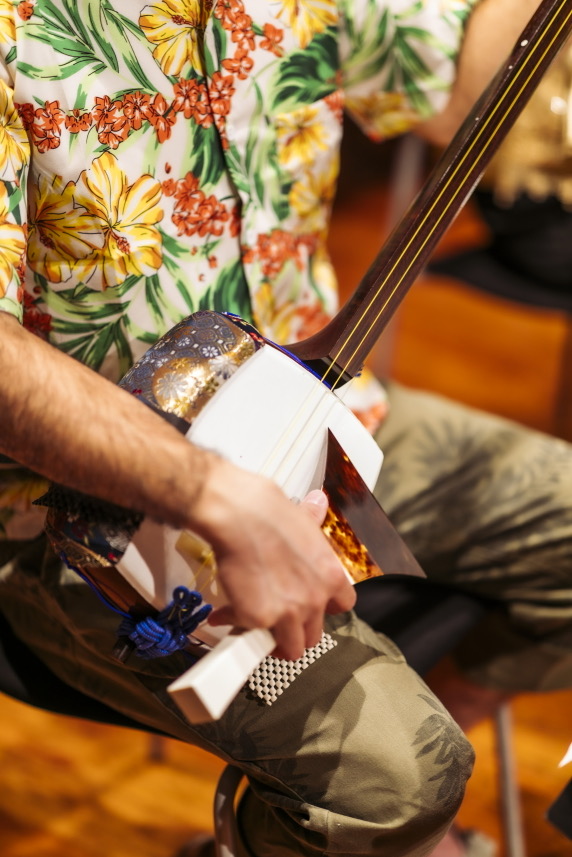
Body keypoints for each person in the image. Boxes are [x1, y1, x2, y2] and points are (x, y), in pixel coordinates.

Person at [0, 2, 571, 857]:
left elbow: (455, 90)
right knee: (395, 780)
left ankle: (362, 832)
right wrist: (210, 491)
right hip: (84, 514)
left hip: (324, 413)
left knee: (415, 780)